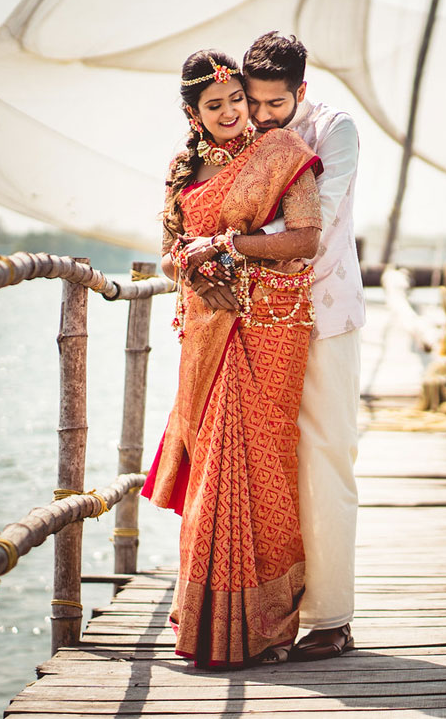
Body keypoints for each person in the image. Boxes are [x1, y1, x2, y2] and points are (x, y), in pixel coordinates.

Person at [141, 48, 324, 668]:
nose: (231, 112)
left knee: (262, 466)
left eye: (236, 101)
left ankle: (270, 627)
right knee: (213, 467)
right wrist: (193, 262)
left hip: (271, 324)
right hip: (208, 326)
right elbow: (169, 252)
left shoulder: (279, 155)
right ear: (194, 113)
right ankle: (205, 628)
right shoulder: (181, 169)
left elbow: (306, 237)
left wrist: (224, 246)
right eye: (214, 105)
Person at [241, 31, 365, 661]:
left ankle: (331, 619)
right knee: (259, 464)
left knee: (324, 456)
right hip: (255, 319)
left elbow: (313, 220)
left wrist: (231, 241)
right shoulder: (240, 129)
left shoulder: (334, 131)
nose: (263, 116)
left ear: (301, 93)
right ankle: (261, 614)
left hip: (324, 314)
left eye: (276, 105)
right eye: (254, 103)